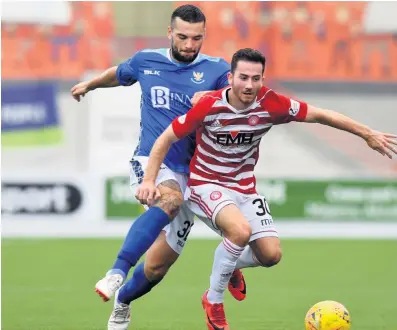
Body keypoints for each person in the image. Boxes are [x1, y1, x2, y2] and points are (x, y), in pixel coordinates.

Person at [136, 48, 397, 330]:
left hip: (245, 188)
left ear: (263, 78)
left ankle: (230, 263)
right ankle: (213, 301)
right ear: (231, 77)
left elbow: (322, 115)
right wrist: (149, 180)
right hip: (205, 183)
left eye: (255, 78)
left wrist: (367, 133)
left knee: (270, 255)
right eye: (243, 77)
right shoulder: (209, 105)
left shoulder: (271, 103)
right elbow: (165, 138)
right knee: (239, 232)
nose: (249, 85)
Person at [71, 5, 254, 330]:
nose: (188, 44)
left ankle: (123, 301)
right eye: (182, 36)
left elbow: (241, 96)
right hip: (152, 161)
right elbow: (120, 73)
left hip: (197, 174)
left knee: (157, 268)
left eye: (196, 38)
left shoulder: (216, 68)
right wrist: (91, 84)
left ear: (203, 37)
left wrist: (216, 96)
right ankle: (116, 272)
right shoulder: (147, 61)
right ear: (170, 33)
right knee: (167, 200)